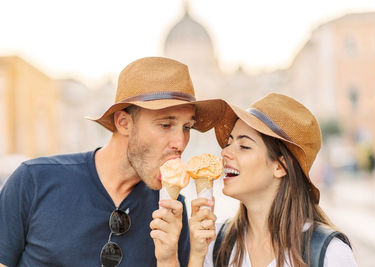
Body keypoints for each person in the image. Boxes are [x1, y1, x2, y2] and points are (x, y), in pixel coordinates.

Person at [0, 57, 225, 267]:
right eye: (166, 125)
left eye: (187, 127)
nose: (181, 142)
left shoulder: (173, 210)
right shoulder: (34, 180)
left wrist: (175, 258)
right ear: (124, 123)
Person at [188, 93, 357, 267]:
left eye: (244, 146)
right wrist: (194, 257)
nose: (224, 152)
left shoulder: (330, 254)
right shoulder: (215, 243)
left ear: (280, 166)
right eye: (228, 143)